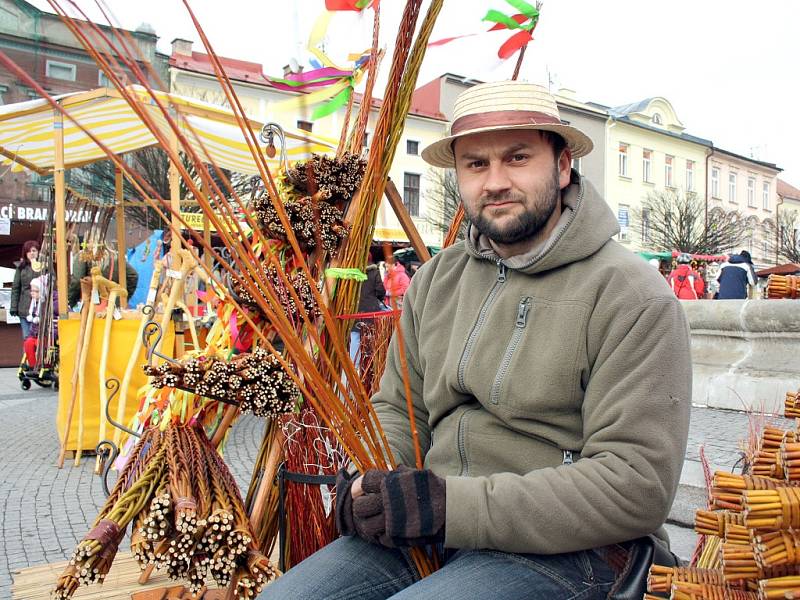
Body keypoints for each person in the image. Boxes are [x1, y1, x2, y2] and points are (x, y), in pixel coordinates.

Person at [259, 81, 691, 599]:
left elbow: (635, 484)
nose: (496, 181)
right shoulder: (437, 279)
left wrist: (452, 507)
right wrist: (372, 482)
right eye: (476, 164)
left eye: (517, 157)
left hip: (575, 550)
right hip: (437, 530)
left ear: (561, 165)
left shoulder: (630, 294)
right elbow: (399, 409)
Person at [350, 251, 387, 364]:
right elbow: (380, 290)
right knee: (369, 336)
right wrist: (379, 299)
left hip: (354, 308)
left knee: (355, 336)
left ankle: (354, 363)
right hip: (370, 309)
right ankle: (368, 363)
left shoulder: (351, 272)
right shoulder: (374, 272)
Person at [10, 240, 40, 340]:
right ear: (25, 253)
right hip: (24, 307)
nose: (32, 253)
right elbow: (16, 288)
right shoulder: (21, 268)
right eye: (29, 251)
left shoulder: (44, 266)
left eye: (34, 250)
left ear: (38, 252)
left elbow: (52, 282)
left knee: (37, 337)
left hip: (39, 308)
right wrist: (13, 307)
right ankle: (27, 355)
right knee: (27, 337)